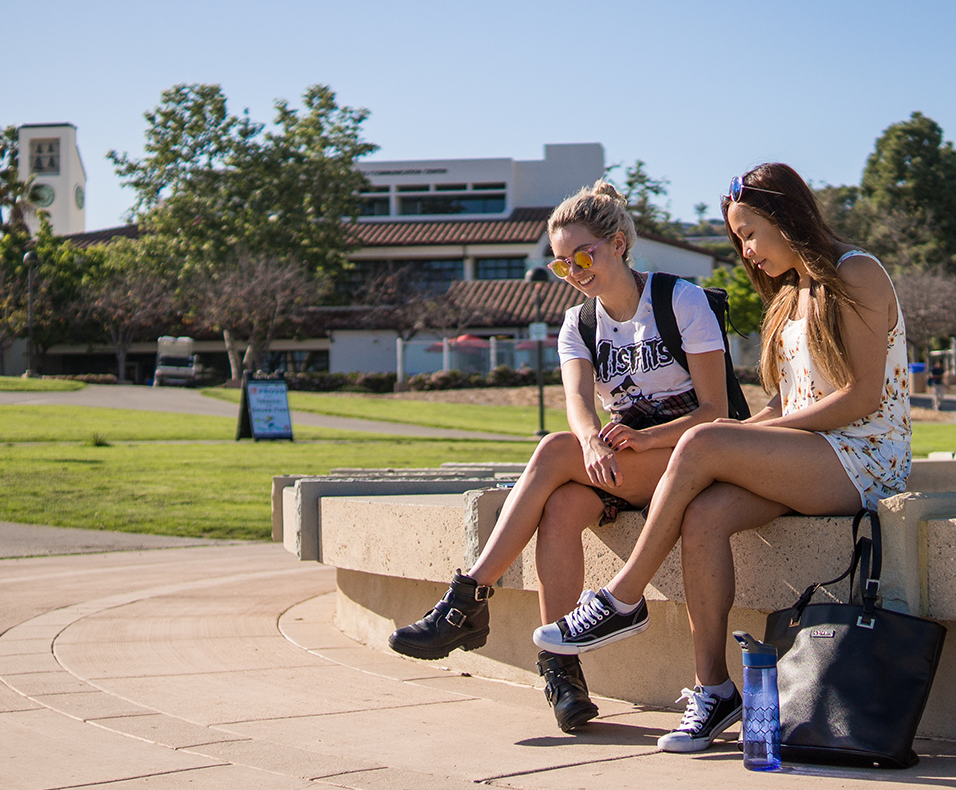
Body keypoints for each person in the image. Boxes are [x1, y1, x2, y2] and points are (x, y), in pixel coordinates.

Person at [531, 163, 912, 753]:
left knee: (705, 439)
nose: (747, 251)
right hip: (810, 453)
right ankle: (714, 691)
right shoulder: (790, 296)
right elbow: (788, 402)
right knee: (705, 514)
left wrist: (744, 437)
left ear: (788, 218)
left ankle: (623, 597)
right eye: (739, 239)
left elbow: (861, 397)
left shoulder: (854, 272)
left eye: (751, 233)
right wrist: (750, 433)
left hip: (866, 457)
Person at [388, 181, 730, 733]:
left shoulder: (679, 301)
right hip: (624, 464)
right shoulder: (581, 324)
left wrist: (642, 438)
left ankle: (467, 601)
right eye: (561, 264)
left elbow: (715, 413)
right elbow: (576, 403)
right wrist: (593, 440)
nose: (574, 270)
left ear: (618, 243)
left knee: (551, 452)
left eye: (583, 255)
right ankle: (563, 676)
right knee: (564, 505)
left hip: (688, 461)